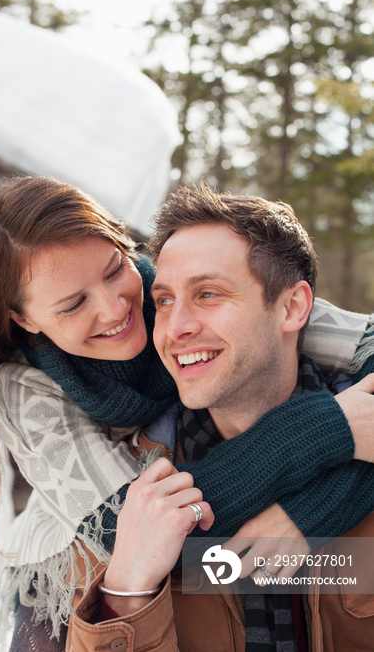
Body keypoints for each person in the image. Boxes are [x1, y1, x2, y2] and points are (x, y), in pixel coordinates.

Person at [0, 176, 374, 650]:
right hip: (75, 540)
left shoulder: (167, 287)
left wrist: (316, 509)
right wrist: (323, 430)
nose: (115, 308)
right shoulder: (22, 389)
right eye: (74, 304)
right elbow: (140, 532)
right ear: (25, 318)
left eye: (113, 270)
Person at [67, 184, 374, 652]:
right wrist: (126, 592)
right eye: (165, 301)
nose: (176, 327)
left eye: (208, 293)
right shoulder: (126, 497)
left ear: (292, 307)